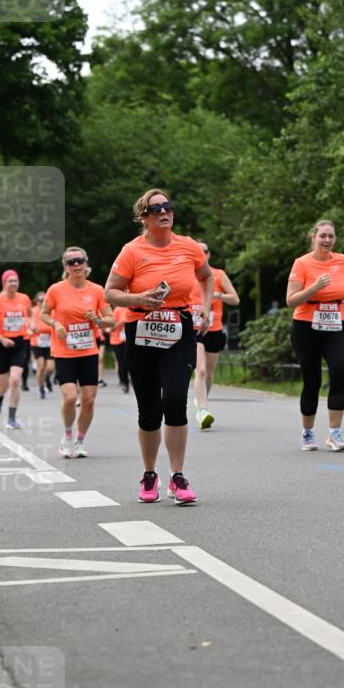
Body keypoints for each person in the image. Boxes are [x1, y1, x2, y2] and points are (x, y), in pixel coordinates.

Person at [105, 188, 213, 504]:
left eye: (168, 206)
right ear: (144, 217)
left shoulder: (189, 247)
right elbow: (111, 292)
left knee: (176, 400)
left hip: (178, 331)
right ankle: (149, 474)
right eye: (156, 209)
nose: (164, 212)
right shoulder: (131, 251)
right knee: (150, 410)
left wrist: (206, 307)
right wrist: (138, 298)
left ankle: (177, 477)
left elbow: (206, 278)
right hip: (140, 330)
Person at [286, 219, 344, 451]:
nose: (327, 240)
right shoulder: (302, 263)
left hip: (336, 323)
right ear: (313, 237)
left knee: (339, 373)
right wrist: (315, 287)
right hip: (306, 325)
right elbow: (290, 300)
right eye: (323, 236)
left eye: (331, 236)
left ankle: (334, 434)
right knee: (312, 379)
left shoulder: (342, 260)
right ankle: (307, 433)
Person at [40, 246, 114, 458]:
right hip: (64, 351)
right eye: (71, 262)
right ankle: (67, 436)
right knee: (70, 397)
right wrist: (55, 324)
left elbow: (111, 320)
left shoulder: (97, 290)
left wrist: (97, 320)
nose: (76, 265)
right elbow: (43, 314)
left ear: (86, 263)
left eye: (79, 260)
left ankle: (80, 441)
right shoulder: (56, 290)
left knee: (89, 399)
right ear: (65, 267)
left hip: (88, 351)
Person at [191, 242, 240, 429]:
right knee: (200, 370)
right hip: (194, 330)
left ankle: (202, 402)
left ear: (209, 254)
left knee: (209, 374)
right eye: (198, 251)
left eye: (204, 251)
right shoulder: (186, 274)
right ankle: (202, 410)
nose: (201, 254)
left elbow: (235, 299)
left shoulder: (218, 275)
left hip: (214, 329)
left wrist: (217, 295)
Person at [0, 270, 32, 429]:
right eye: (10, 281)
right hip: (1, 345)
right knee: (3, 384)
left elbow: (29, 315)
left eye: (16, 281)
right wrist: (2, 339)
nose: (13, 283)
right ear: (4, 283)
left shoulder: (24, 299)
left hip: (19, 343)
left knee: (15, 380)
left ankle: (12, 418)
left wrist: (30, 326)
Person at [30, 292, 55, 399]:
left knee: (50, 367)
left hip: (50, 341)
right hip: (37, 342)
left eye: (44, 300)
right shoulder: (33, 311)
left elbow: (56, 323)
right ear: (36, 302)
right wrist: (30, 328)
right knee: (40, 366)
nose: (42, 302)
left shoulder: (52, 312)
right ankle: (41, 388)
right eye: (40, 300)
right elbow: (28, 322)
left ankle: (47, 378)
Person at [108, 305, 129, 393]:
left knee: (128, 362)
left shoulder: (132, 308)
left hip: (128, 340)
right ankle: (124, 382)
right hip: (117, 340)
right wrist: (121, 323)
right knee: (121, 362)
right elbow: (110, 328)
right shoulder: (117, 310)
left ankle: (126, 382)